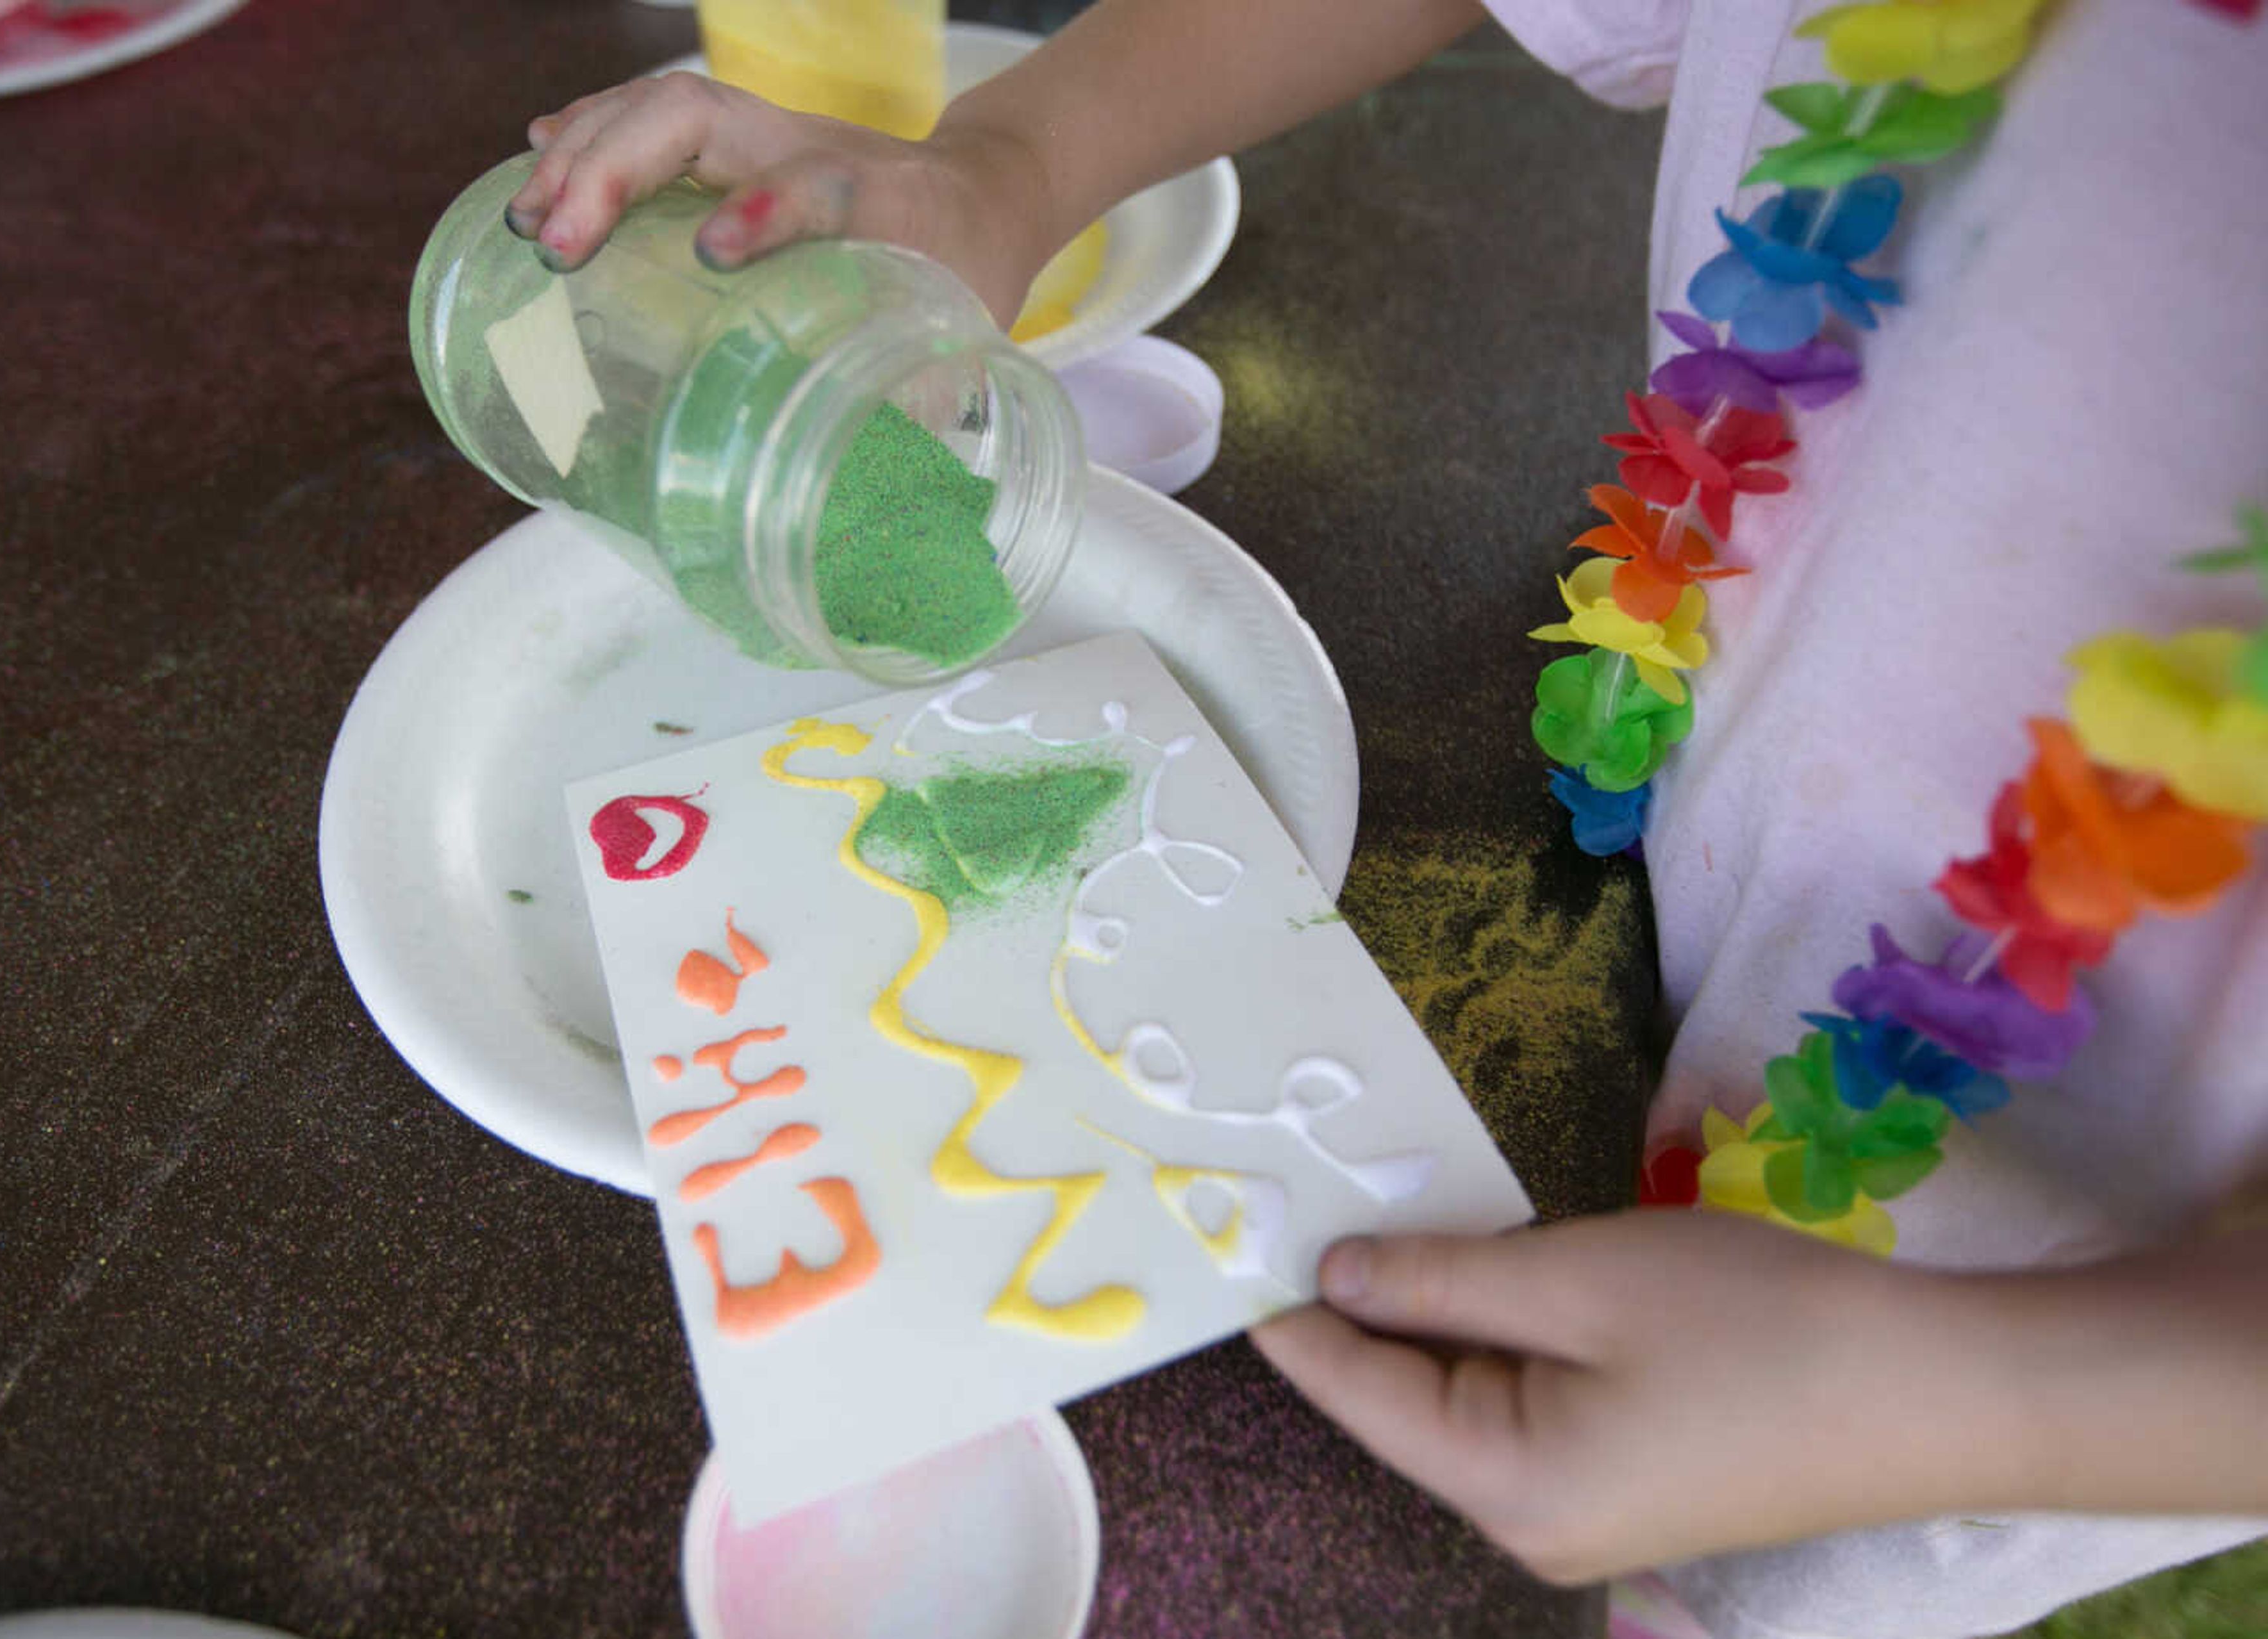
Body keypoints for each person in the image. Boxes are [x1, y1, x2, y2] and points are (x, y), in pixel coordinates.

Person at [502, 2, 2268, 1634]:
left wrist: (1981, 1399)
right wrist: (1008, 159)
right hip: (1700, 803)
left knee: (1715, 1562)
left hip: (2052, 1276)